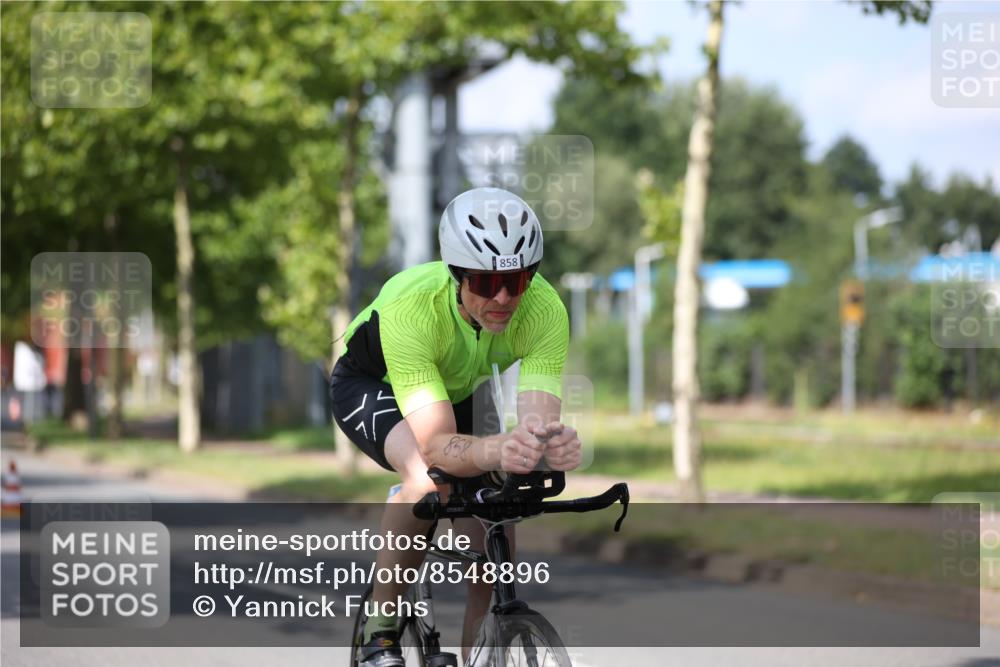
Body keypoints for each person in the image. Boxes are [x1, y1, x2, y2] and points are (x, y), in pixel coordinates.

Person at [329, 187, 582, 666]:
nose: (505, 297)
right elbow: (438, 445)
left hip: (459, 388)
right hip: (373, 384)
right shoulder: (414, 310)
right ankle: (380, 631)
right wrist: (493, 451)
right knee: (428, 481)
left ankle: (481, 650)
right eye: (487, 284)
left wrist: (549, 445)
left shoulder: (545, 309)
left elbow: (536, 426)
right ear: (457, 275)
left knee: (502, 508)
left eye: (518, 279)